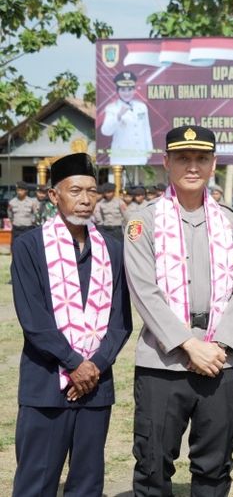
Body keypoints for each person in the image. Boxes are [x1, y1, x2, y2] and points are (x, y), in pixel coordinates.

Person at [125, 125, 233, 496]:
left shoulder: (231, 221)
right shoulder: (142, 221)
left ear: (213, 164)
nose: (192, 166)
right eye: (183, 158)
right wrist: (188, 344)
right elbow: (144, 291)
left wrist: (221, 345)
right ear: (166, 162)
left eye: (201, 158)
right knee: (153, 465)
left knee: (215, 466)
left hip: (220, 358)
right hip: (162, 362)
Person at [11, 152, 132, 496]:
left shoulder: (111, 247)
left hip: (95, 387)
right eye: (75, 190)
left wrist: (93, 366)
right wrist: (75, 363)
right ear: (54, 196)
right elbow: (34, 321)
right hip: (46, 385)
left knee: (87, 482)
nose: (85, 200)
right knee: (37, 481)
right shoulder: (30, 247)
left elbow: (121, 321)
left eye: (91, 191)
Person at [100, 70, 154, 165]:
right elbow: (105, 131)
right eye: (123, 90)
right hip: (121, 156)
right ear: (117, 91)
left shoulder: (141, 107)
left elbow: (146, 129)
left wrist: (149, 149)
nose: (127, 93)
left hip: (140, 155)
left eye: (130, 89)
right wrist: (118, 116)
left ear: (134, 90)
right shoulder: (112, 108)